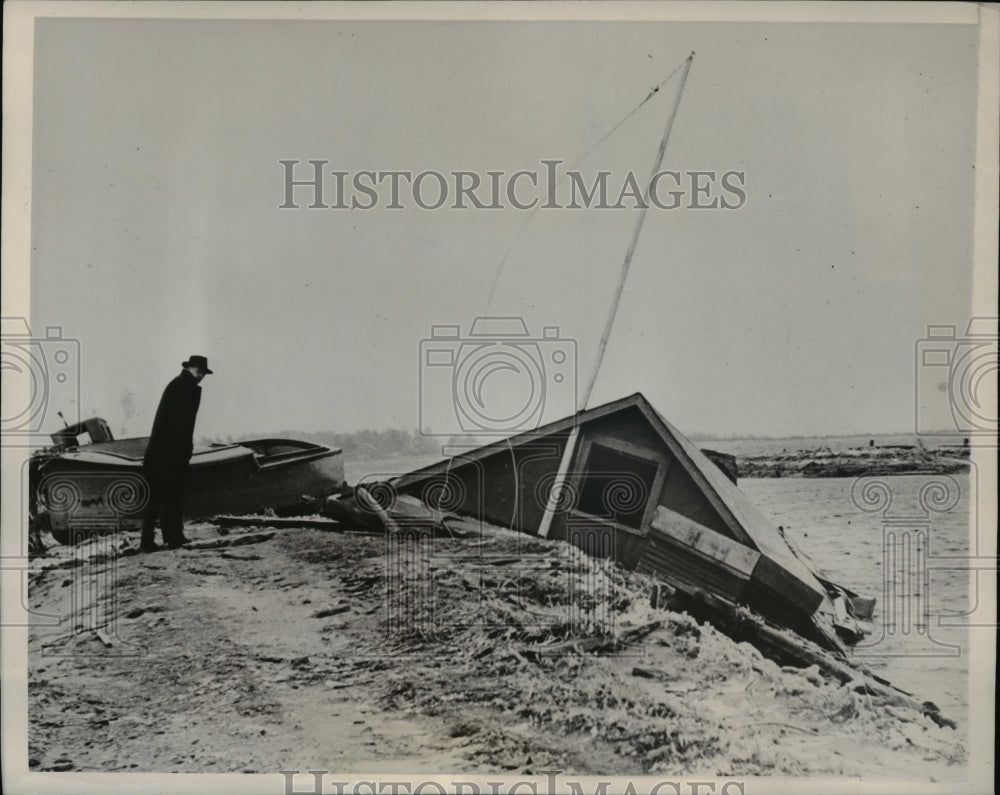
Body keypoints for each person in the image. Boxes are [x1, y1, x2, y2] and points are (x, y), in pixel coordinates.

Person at [140, 355, 213, 551]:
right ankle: (165, 539)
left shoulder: (181, 385)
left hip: (164, 453)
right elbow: (179, 425)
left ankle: (165, 539)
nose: (201, 376)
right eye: (199, 371)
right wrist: (183, 450)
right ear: (190, 368)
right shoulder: (182, 387)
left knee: (164, 496)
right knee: (166, 496)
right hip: (168, 453)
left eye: (203, 373)